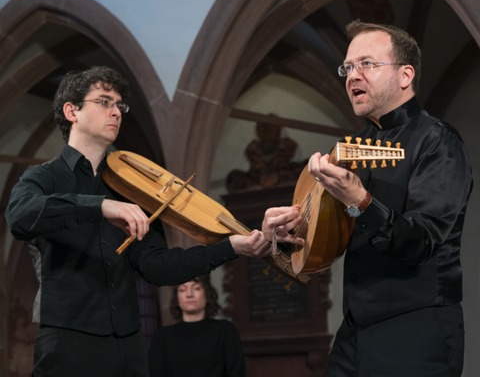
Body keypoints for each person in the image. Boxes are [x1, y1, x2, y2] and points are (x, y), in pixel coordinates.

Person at [4, 65, 301, 377]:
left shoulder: (131, 187)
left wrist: (231, 247)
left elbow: (158, 267)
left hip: (128, 347)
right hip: (68, 344)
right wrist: (101, 207)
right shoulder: (43, 177)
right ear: (71, 111)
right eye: (104, 102)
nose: (116, 112)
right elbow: (21, 215)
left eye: (120, 105)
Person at [262, 20, 472, 376]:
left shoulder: (437, 141)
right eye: (348, 67)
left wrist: (361, 201)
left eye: (367, 64)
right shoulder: (349, 150)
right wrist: (284, 238)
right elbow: (320, 249)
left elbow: (422, 242)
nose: (352, 75)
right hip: (354, 333)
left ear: (405, 75)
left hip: (417, 330)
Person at [148, 275, 245, 377]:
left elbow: (237, 373)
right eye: (182, 290)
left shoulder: (225, 330)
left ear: (207, 294)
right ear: (177, 298)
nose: (189, 294)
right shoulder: (162, 337)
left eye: (196, 288)